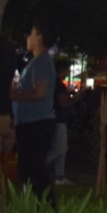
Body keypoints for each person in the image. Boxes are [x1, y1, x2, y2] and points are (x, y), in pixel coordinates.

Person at [9, 21, 59, 200]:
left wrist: (14, 95)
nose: (28, 37)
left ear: (40, 38)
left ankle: (47, 207)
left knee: (35, 171)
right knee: (29, 170)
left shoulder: (42, 61)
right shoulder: (35, 62)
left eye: (31, 33)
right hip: (29, 124)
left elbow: (39, 93)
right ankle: (38, 206)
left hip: (36, 125)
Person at [46, 59, 73, 186]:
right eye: (67, 69)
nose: (68, 72)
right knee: (60, 149)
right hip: (59, 120)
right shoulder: (59, 85)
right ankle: (37, 166)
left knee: (61, 148)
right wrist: (76, 99)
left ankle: (60, 176)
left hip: (55, 119)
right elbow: (63, 103)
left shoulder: (52, 83)